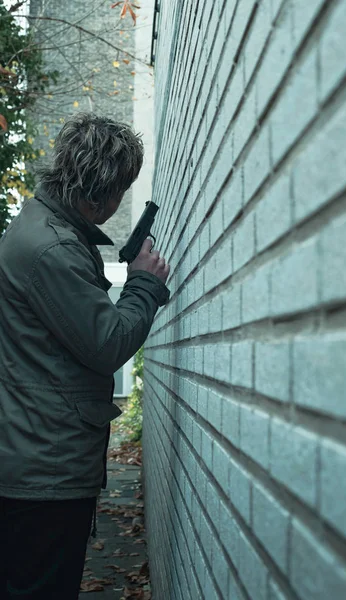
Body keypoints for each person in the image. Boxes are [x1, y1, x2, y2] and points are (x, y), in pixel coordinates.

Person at [0, 112, 170, 599]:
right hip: (43, 468)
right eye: (119, 191)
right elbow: (108, 344)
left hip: (34, 456)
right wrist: (144, 283)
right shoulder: (52, 248)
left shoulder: (44, 227)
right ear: (101, 191)